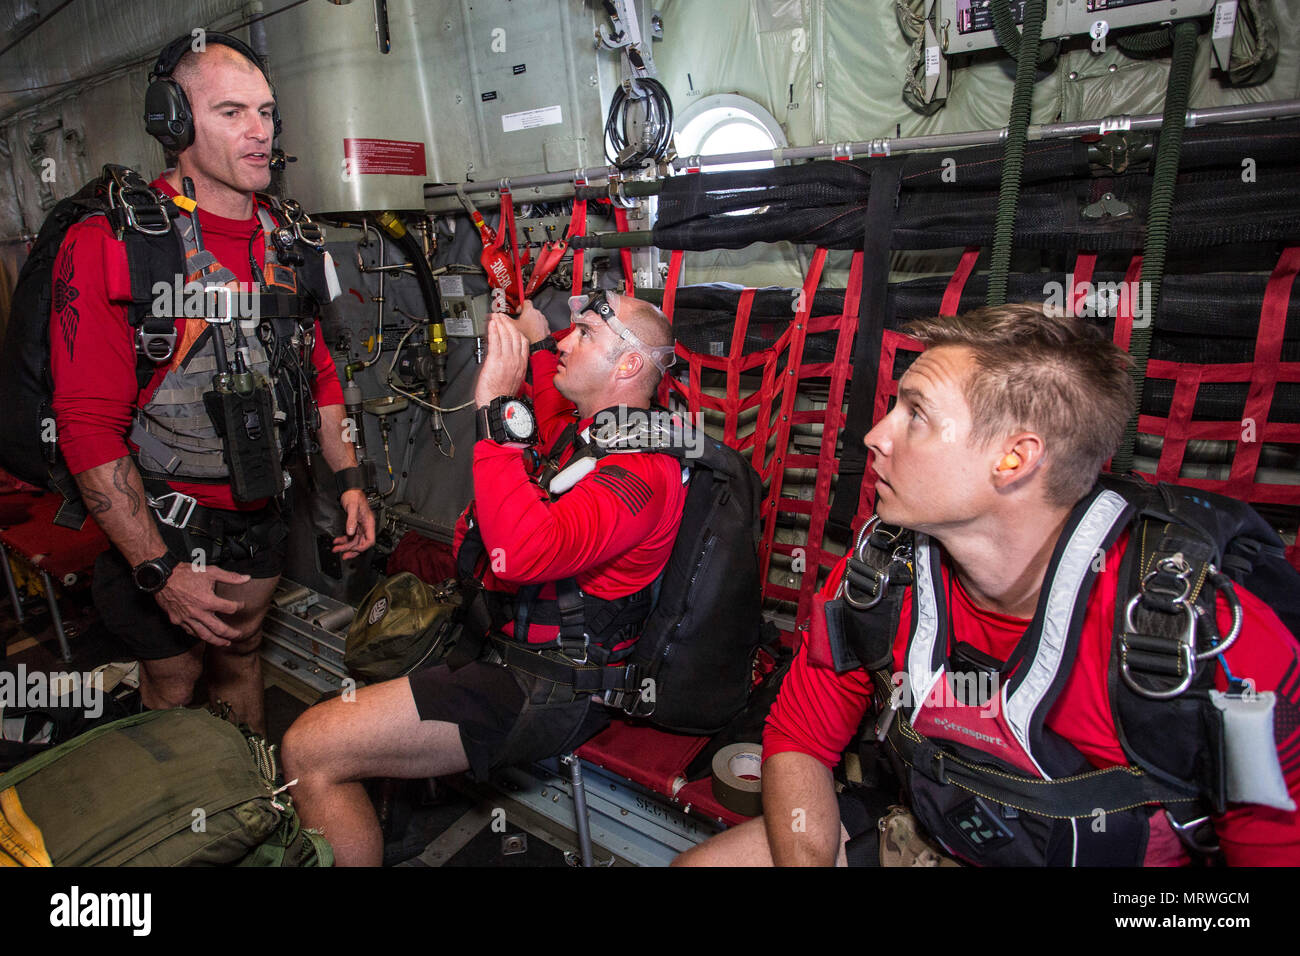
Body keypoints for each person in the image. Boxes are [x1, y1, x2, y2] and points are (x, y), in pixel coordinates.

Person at [675, 303, 1300, 867]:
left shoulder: (1206, 639)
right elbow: (800, 742)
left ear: (1014, 459)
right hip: (932, 832)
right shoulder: (878, 572)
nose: (874, 436)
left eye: (915, 413)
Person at [281, 290, 687, 866]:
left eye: (586, 334)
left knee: (308, 749)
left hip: (550, 686)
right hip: (502, 645)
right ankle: (393, 829)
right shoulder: (592, 429)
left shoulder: (641, 477)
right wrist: (534, 332)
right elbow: (546, 380)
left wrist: (494, 407)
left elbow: (521, 554)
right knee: (359, 680)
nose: (568, 342)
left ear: (626, 364)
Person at [49, 35, 375, 735]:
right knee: (176, 676)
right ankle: (190, 826)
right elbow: (83, 423)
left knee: (242, 655)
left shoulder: (292, 240)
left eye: (265, 112)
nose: (260, 133)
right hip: (162, 517)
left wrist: (349, 479)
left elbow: (315, 372)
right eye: (232, 112)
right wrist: (159, 570)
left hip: (259, 510)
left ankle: (251, 808)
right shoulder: (115, 242)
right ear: (173, 122)